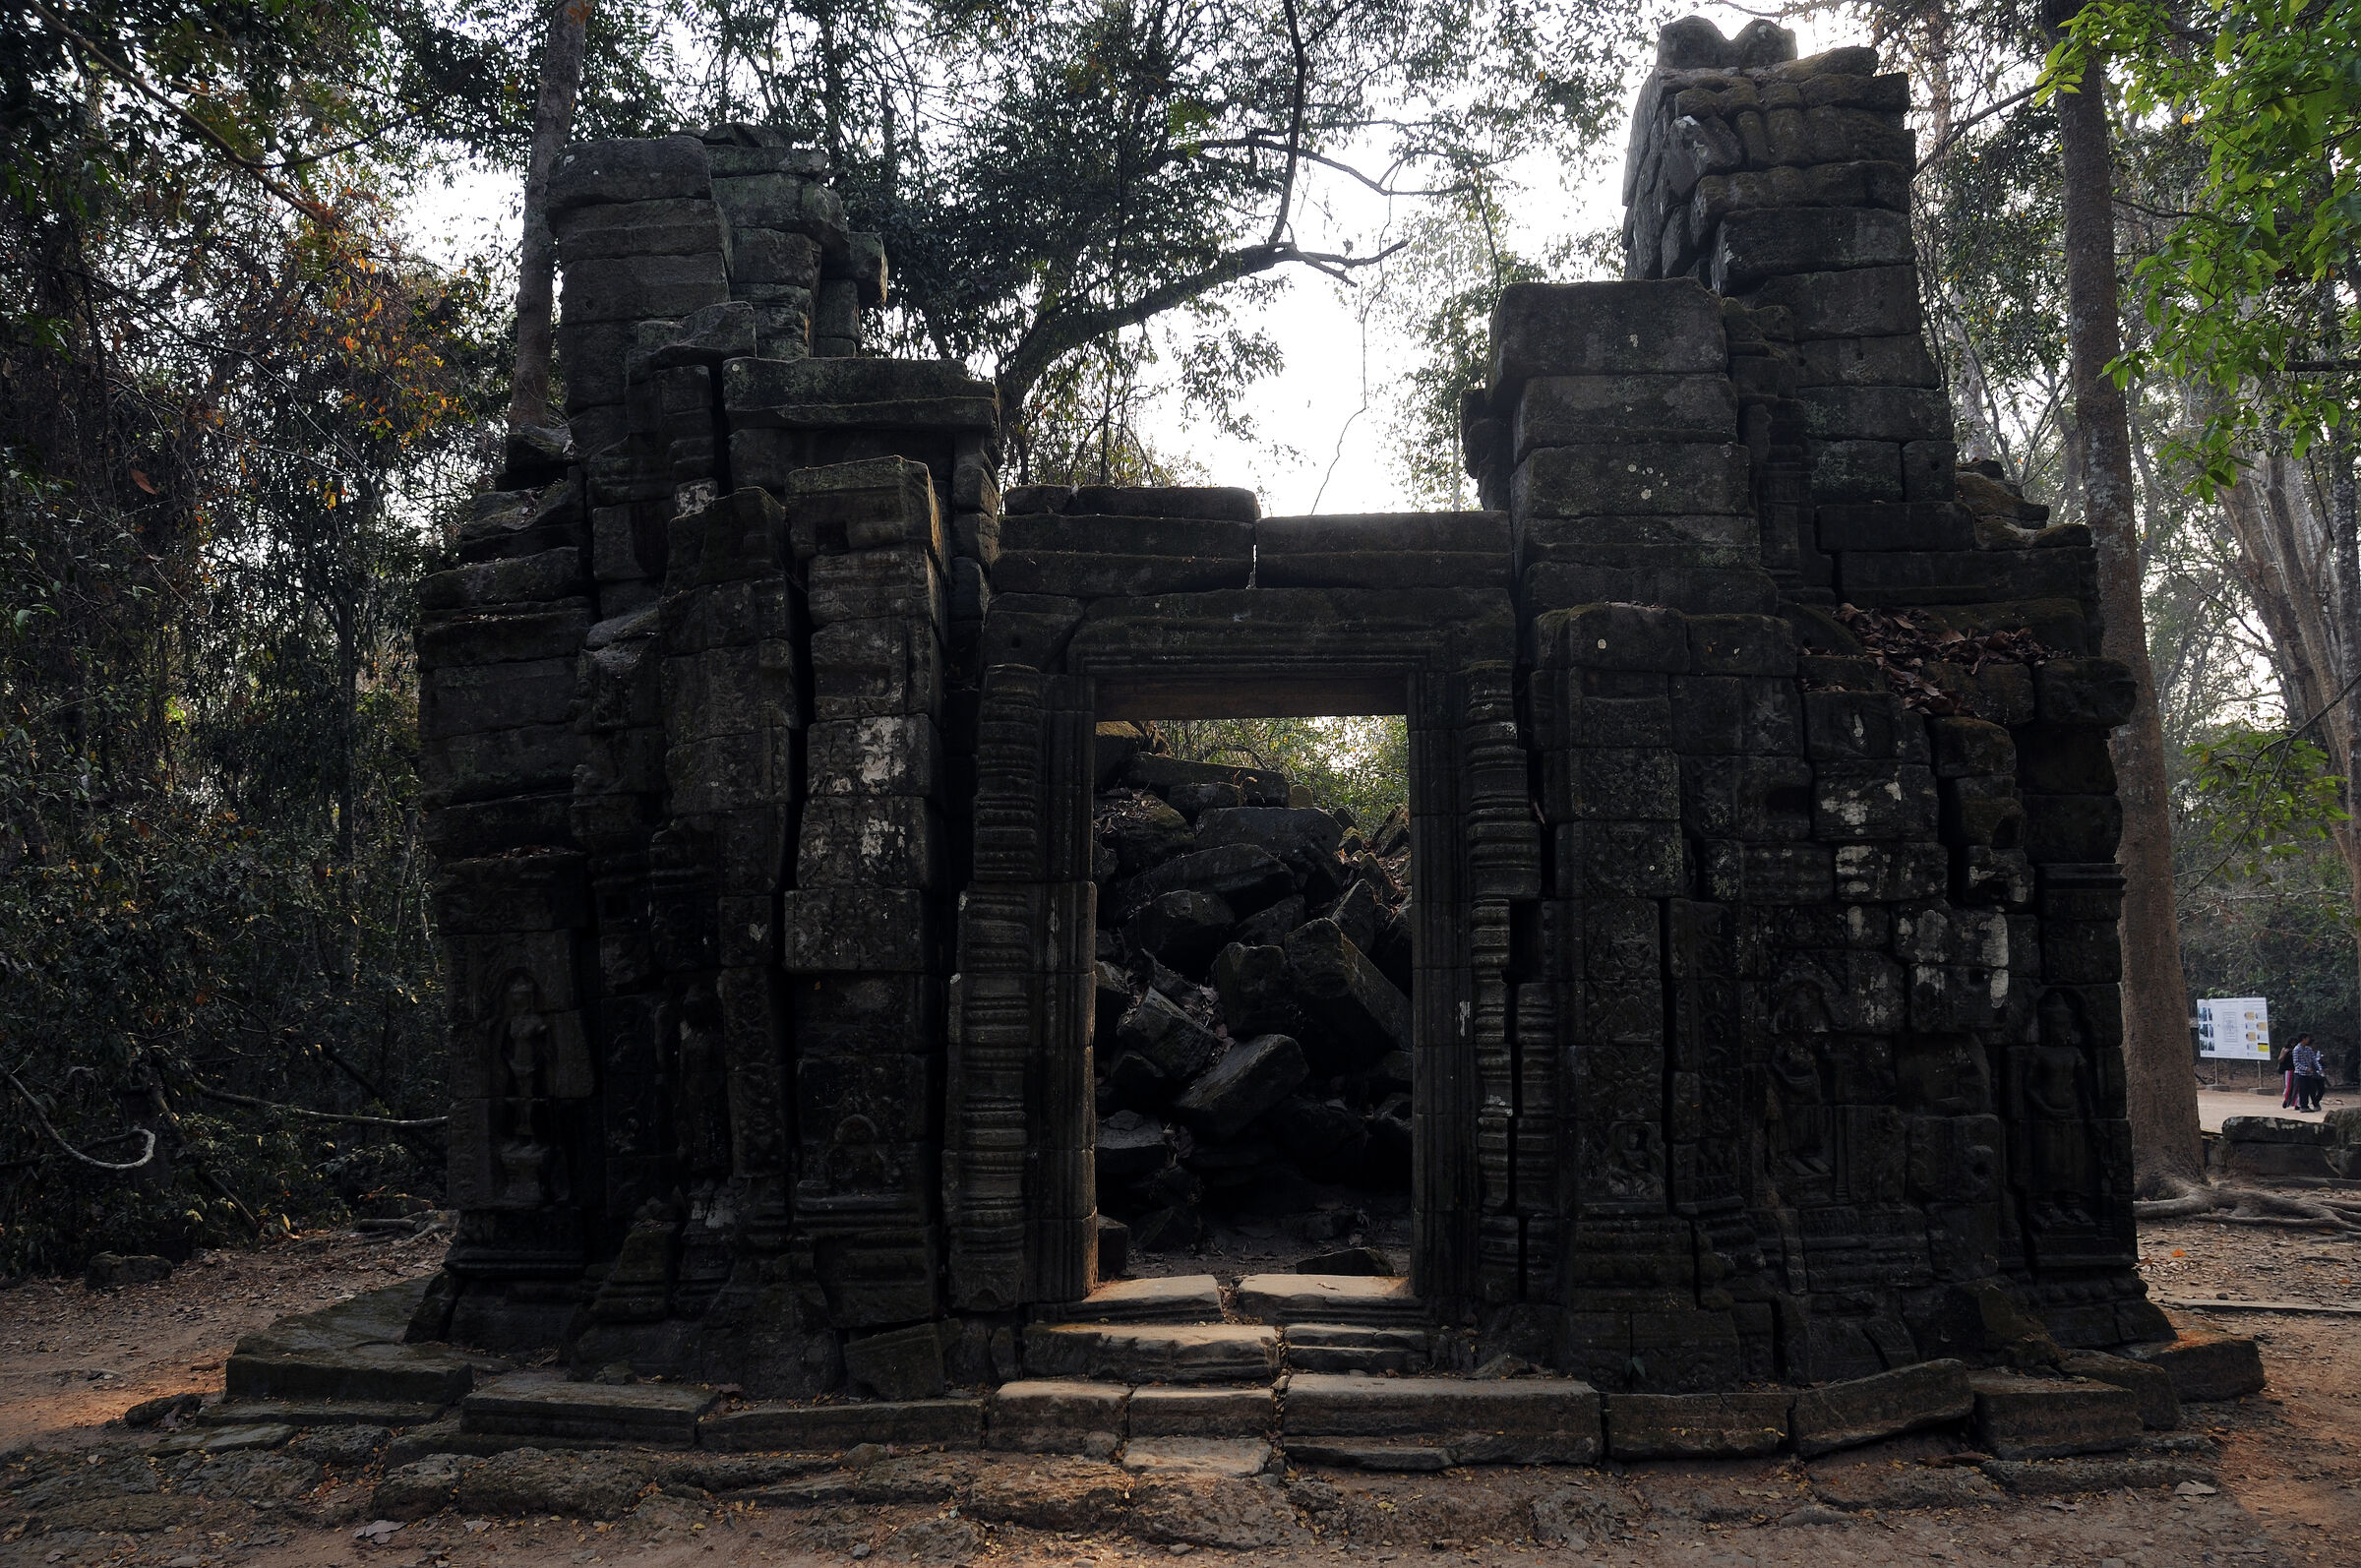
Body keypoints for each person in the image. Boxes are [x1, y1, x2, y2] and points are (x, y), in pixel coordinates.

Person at [2293, 1034, 2328, 1114]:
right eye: (2307, 1038)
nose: (2308, 1040)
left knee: (2311, 1089)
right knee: (2303, 1090)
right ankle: (2303, 1106)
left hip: (2309, 1074)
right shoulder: (2297, 1049)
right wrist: (2305, 1068)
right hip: (2300, 1073)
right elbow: (2296, 1063)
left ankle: (2312, 1105)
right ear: (2303, 1039)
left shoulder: (2308, 1049)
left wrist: (2320, 1068)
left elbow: (2314, 1060)